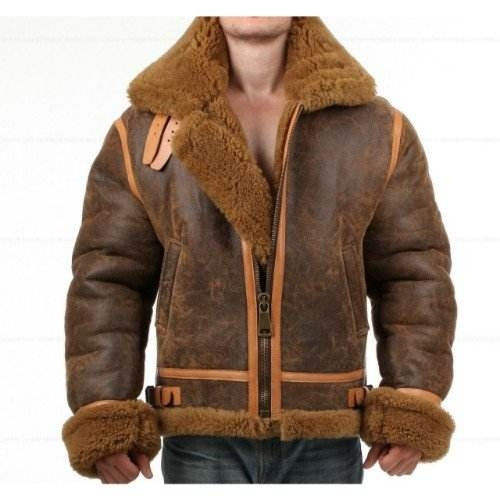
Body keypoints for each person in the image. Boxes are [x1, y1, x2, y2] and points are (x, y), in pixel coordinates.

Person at [62, 16, 457, 484]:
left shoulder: (375, 129)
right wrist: (105, 406)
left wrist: (413, 398)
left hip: (327, 424)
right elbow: (109, 278)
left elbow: (412, 271)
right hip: (199, 427)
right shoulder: (143, 130)